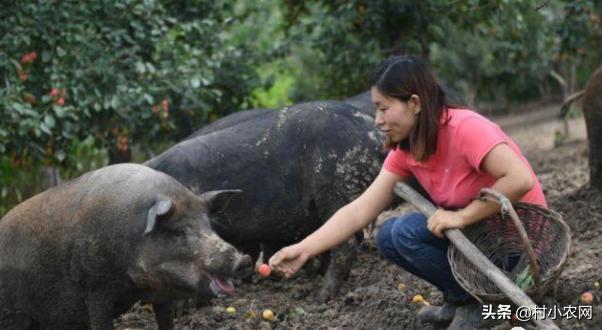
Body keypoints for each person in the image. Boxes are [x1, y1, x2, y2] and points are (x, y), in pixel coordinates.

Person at [268, 55, 547, 329]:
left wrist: (462, 216)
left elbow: (520, 179)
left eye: (383, 108)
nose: (377, 119)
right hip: (480, 236)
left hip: (521, 245)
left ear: (414, 103)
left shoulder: (466, 128)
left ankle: (483, 305)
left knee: (405, 233)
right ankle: (464, 298)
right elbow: (359, 210)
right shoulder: (408, 149)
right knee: (389, 236)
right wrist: (303, 249)